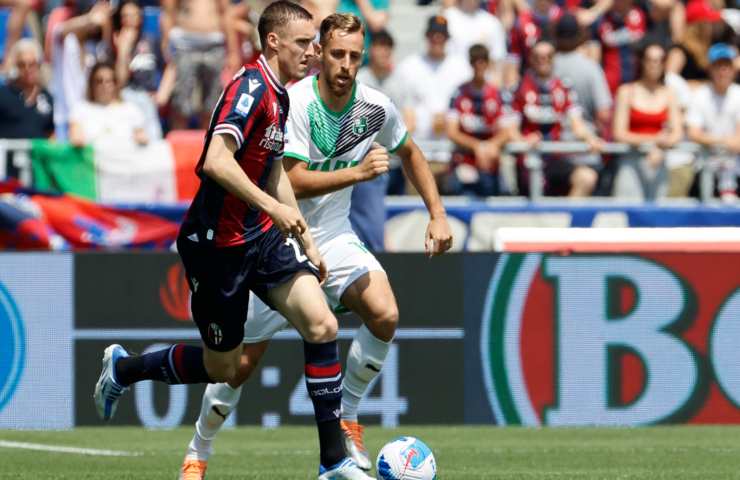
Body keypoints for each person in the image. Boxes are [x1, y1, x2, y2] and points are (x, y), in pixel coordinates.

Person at [93, 4, 371, 479]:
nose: (313, 51)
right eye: (303, 42)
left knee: (322, 324)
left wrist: (304, 236)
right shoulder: (250, 89)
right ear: (273, 42)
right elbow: (215, 162)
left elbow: (273, 168)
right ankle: (126, 369)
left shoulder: (281, 95)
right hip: (216, 247)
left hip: (261, 238)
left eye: (313, 43)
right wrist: (274, 209)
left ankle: (333, 462)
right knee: (224, 368)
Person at [177, 12, 453, 480]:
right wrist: (357, 173)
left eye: (354, 56)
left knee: (384, 313)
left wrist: (437, 213)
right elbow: (291, 180)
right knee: (235, 368)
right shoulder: (295, 101)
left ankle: (347, 418)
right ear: (320, 53)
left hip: (335, 238)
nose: (346, 64)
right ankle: (198, 449)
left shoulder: (375, 107)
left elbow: (410, 151)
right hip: (274, 239)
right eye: (337, 53)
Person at [512, 39, 604, 197]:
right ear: (531, 59)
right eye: (538, 57)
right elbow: (509, 128)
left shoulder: (563, 87)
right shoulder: (519, 88)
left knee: (586, 177)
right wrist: (522, 140)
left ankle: (568, 213)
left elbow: (577, 123)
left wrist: (590, 138)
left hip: (556, 156)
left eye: (548, 56)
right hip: (529, 157)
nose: (543, 61)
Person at [392, 15, 471, 162]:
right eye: (433, 35)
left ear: (447, 38)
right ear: (426, 36)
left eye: (442, 35)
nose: (437, 39)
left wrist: (447, 118)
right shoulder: (408, 67)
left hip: (453, 150)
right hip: (417, 149)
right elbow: (400, 107)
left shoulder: (462, 68)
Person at [612, 42, 684, 200]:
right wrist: (655, 141)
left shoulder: (670, 93)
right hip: (631, 160)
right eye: (650, 60)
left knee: (657, 211)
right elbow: (619, 133)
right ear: (642, 62)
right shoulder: (626, 91)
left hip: (659, 161)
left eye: (659, 60)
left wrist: (661, 146)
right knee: (626, 208)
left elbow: (677, 133)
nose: (654, 65)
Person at [447, 44, 515, 196]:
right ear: (470, 63)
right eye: (475, 60)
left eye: (483, 60)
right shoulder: (458, 94)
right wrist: (477, 147)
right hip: (465, 161)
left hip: (491, 163)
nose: (479, 65)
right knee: (463, 194)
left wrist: (491, 146)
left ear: (488, 63)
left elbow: (507, 131)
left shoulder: (499, 95)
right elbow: (452, 131)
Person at [161, 0, 239, 129]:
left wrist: (233, 51)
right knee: (180, 103)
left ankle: (208, 140)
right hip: (184, 45)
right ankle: (178, 139)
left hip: (214, 44)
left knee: (212, 103)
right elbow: (168, 11)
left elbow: (226, 13)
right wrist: (166, 44)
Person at [686, 43, 740, 201]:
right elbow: (694, 133)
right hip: (704, 167)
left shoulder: (738, 94)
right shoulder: (700, 95)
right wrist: (724, 141)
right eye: (718, 66)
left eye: (726, 66)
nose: (723, 71)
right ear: (710, 69)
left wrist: (713, 140)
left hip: (734, 170)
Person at [112, 0, 163, 140]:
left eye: (133, 15)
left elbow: (168, 65)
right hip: (126, 97)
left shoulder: (151, 40)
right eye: (125, 16)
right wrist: (123, 50)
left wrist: (162, 94)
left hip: (148, 97)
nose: (129, 19)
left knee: (153, 139)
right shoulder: (115, 42)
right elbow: (120, 81)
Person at [68, 61, 148, 146]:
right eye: (99, 81)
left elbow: (142, 136)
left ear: (115, 84)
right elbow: (76, 136)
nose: (104, 85)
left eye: (108, 81)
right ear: (92, 84)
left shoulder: (131, 109)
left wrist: (141, 138)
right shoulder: (80, 109)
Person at [0, 39, 54, 139]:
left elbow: (51, 133)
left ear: (39, 65)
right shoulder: (3, 95)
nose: (27, 69)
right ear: (15, 67)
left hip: (37, 149)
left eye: (32, 64)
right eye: (22, 65)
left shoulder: (47, 98)